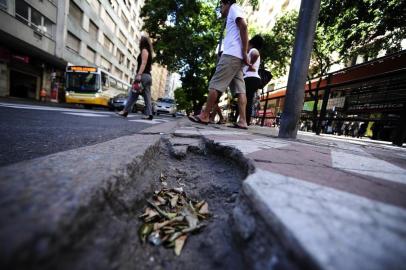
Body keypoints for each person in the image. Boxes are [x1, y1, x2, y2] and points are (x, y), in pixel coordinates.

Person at [188, 0, 250, 129]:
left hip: (231, 56)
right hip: (237, 58)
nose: (220, 8)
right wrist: (242, 54)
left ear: (227, 3)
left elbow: (243, 26)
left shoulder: (234, 8)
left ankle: (205, 115)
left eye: (221, 5)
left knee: (215, 85)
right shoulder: (234, 11)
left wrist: (245, 51)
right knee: (240, 91)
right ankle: (243, 121)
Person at [118, 36, 154, 120]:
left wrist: (139, 74)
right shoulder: (148, 51)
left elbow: (143, 63)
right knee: (147, 97)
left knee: (133, 93)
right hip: (148, 76)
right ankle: (149, 114)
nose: (139, 42)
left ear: (143, 42)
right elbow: (150, 67)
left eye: (140, 41)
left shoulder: (144, 50)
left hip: (143, 76)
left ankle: (125, 111)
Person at [243, 35, 263, 126]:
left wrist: (250, 64)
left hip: (250, 78)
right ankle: (245, 120)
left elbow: (255, 54)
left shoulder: (253, 50)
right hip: (254, 79)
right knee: (248, 100)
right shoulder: (253, 50)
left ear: (252, 43)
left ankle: (245, 121)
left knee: (246, 100)